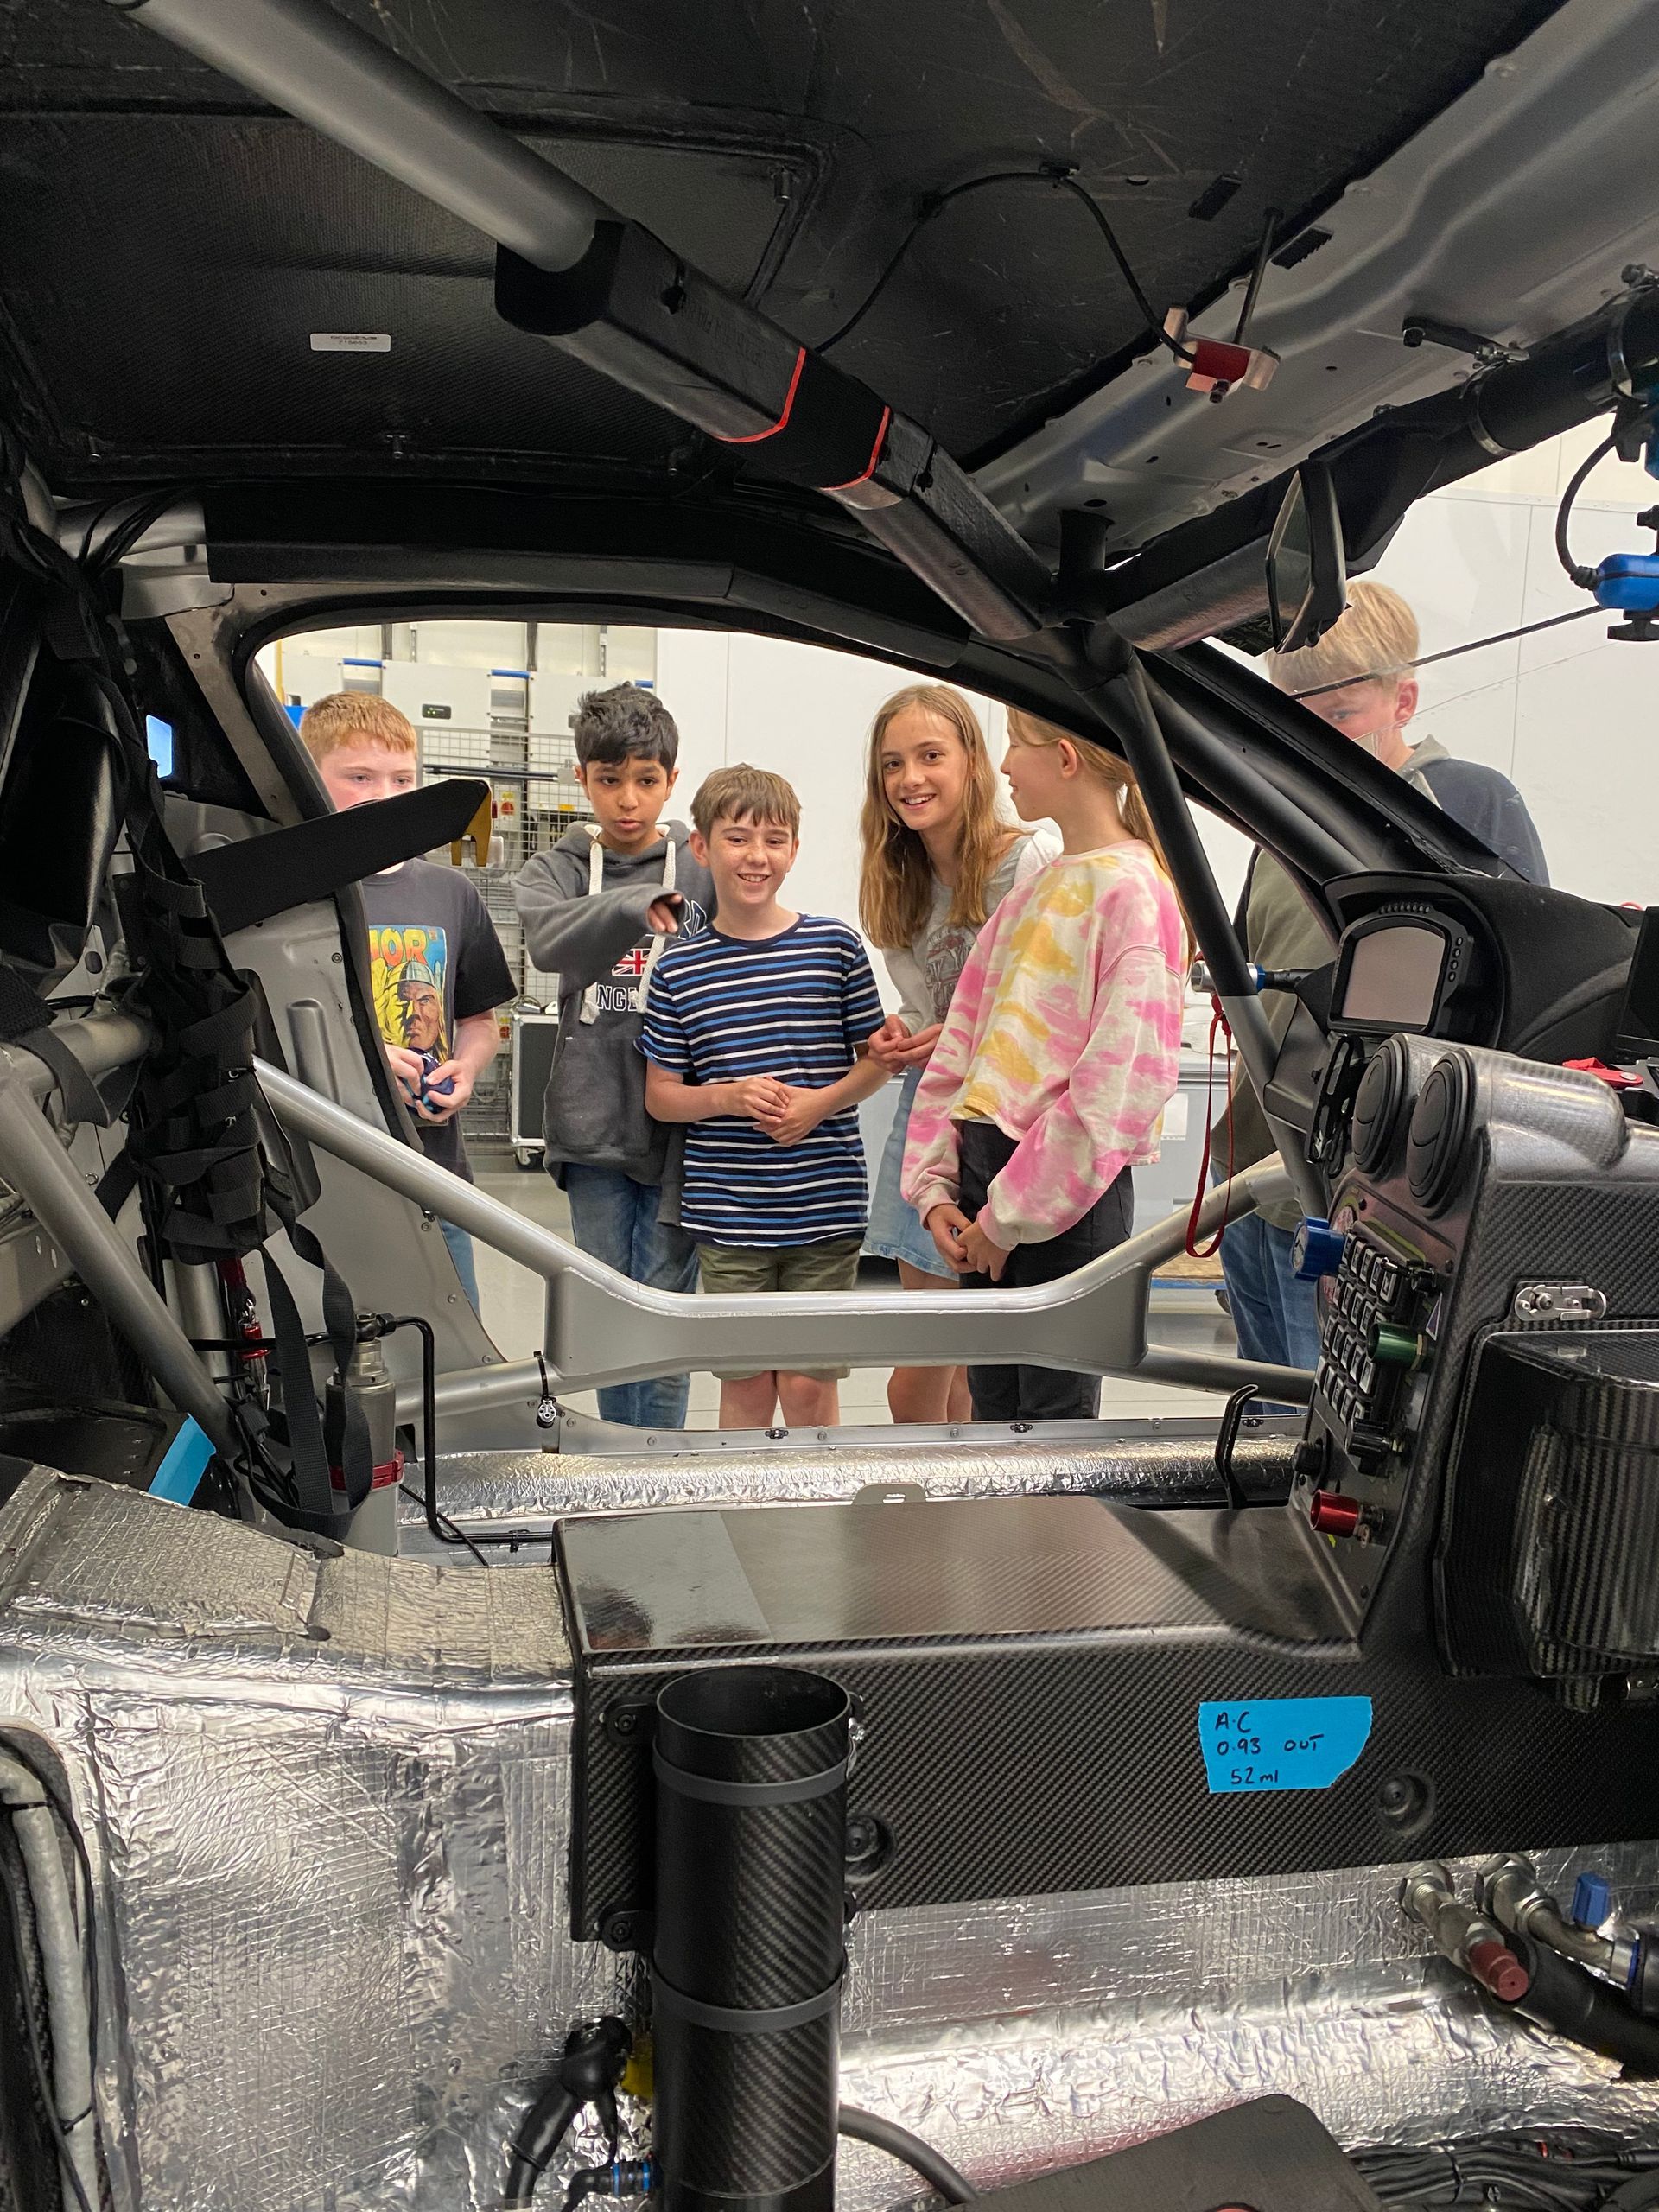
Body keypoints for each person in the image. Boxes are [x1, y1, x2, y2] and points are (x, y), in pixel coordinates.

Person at [1216, 580, 1549, 1371]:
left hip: (1363, 1188)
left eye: (1339, 716)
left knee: (1326, 1402)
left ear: (1404, 700)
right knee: (1264, 1400)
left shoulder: (1465, 804)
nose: (1311, 740)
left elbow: (1523, 999)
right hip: (1258, 1170)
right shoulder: (1282, 820)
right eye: (1290, 715)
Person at [902, 710, 1185, 1422]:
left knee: (1052, 1429)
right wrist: (936, 1188)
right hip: (988, 1188)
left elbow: (1116, 1089)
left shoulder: (1133, 893)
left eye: (1013, 747)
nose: (1002, 767)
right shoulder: (1033, 892)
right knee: (995, 1413)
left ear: (1064, 757)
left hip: (1064, 1202)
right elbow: (962, 1048)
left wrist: (1009, 1217)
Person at [639, 764, 887, 1432]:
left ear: (794, 850)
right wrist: (729, 1097)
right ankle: (742, 1498)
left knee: (808, 1386)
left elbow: (876, 1064)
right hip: (729, 1216)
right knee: (746, 1388)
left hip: (825, 1207)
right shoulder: (678, 969)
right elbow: (662, 1097)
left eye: (774, 840)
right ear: (701, 847)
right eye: (738, 838)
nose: (757, 856)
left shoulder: (835, 948)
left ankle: (819, 1498)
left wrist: (816, 1106)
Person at [512, 683, 713, 1431]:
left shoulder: (700, 864)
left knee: (663, 1311)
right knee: (606, 1305)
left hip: (679, 1129)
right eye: (609, 780)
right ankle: (616, 1459)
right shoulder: (556, 868)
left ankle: (655, 1463)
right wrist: (633, 905)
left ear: (672, 779)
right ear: (582, 778)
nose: (628, 800)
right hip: (590, 1122)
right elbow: (547, 940)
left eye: (647, 780)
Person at [859, 684, 1056, 1424]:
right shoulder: (898, 878)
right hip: (933, 1105)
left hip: (1006, 1112)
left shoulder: (1028, 860)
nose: (910, 779)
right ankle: (932, 1488)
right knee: (934, 1344)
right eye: (893, 764)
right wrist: (899, 1036)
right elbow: (925, 1008)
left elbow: (1045, 1008)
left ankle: (954, 1489)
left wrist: (953, 1034)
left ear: (973, 762)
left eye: (930, 756)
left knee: (968, 1352)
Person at [299, 692, 516, 1313]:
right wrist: (363, 1060)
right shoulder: (292, 894)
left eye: (401, 779)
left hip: (433, 1171)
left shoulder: (451, 892)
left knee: (452, 1339)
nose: (384, 795)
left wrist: (466, 1069)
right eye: (359, 777)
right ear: (309, 776)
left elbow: (480, 1021)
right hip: (326, 1176)